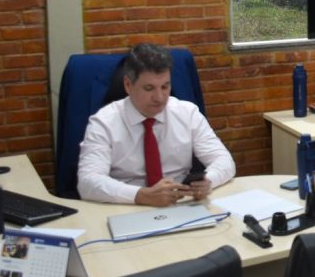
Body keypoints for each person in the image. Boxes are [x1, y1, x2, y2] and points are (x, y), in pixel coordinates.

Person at [77, 43, 236, 206]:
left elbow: (225, 161)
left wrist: (208, 181)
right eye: (149, 88)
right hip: (128, 206)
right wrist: (140, 195)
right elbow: (87, 182)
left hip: (180, 204)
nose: (159, 97)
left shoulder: (187, 113)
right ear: (128, 85)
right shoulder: (104, 122)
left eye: (165, 87)